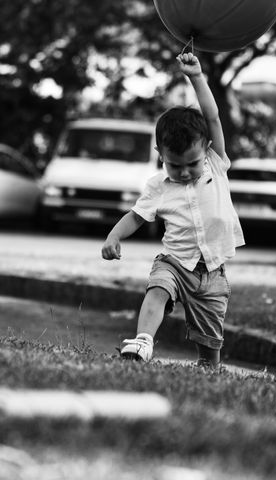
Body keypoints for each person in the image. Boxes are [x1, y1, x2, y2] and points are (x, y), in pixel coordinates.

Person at [101, 52, 245, 368]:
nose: (183, 172)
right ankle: (142, 342)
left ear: (207, 150)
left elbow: (213, 118)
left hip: (211, 273)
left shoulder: (216, 164)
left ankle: (209, 367)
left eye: (191, 164)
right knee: (158, 287)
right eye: (174, 164)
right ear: (160, 154)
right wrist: (114, 236)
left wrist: (195, 76)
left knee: (210, 348)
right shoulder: (159, 185)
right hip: (175, 262)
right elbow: (136, 215)